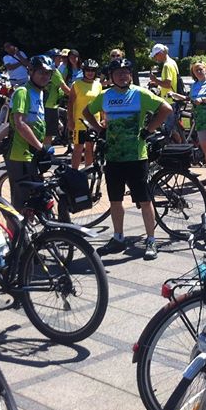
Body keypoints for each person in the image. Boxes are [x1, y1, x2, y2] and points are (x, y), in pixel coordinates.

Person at [83, 58, 170, 260]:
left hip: (136, 157)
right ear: (111, 76)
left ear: (130, 75)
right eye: (118, 72)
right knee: (115, 200)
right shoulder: (105, 95)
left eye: (126, 72)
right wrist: (99, 129)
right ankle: (118, 237)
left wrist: (149, 130)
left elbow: (166, 109)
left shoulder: (139, 94)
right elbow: (86, 112)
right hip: (113, 157)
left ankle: (151, 240)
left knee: (145, 200)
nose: (122, 75)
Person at [4, 55, 53, 211]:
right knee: (20, 202)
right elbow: (20, 123)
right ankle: (15, 228)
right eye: (41, 72)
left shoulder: (39, 92)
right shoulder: (22, 92)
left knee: (35, 199)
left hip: (32, 152)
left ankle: (29, 225)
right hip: (20, 154)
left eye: (48, 73)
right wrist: (41, 147)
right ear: (31, 71)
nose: (45, 76)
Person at [69, 60, 103, 170]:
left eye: (93, 70)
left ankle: (88, 170)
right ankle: (74, 172)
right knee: (78, 148)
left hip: (94, 122)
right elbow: (70, 103)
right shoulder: (76, 84)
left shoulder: (98, 85)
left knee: (90, 148)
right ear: (83, 71)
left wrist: (103, 119)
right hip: (79, 121)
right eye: (88, 70)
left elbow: (101, 103)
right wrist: (70, 120)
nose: (90, 72)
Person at [42, 59, 71, 149]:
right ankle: (46, 152)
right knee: (48, 133)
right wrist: (76, 96)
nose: (60, 59)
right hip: (50, 106)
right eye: (58, 57)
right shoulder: (54, 72)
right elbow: (64, 88)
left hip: (44, 104)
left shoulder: (41, 72)